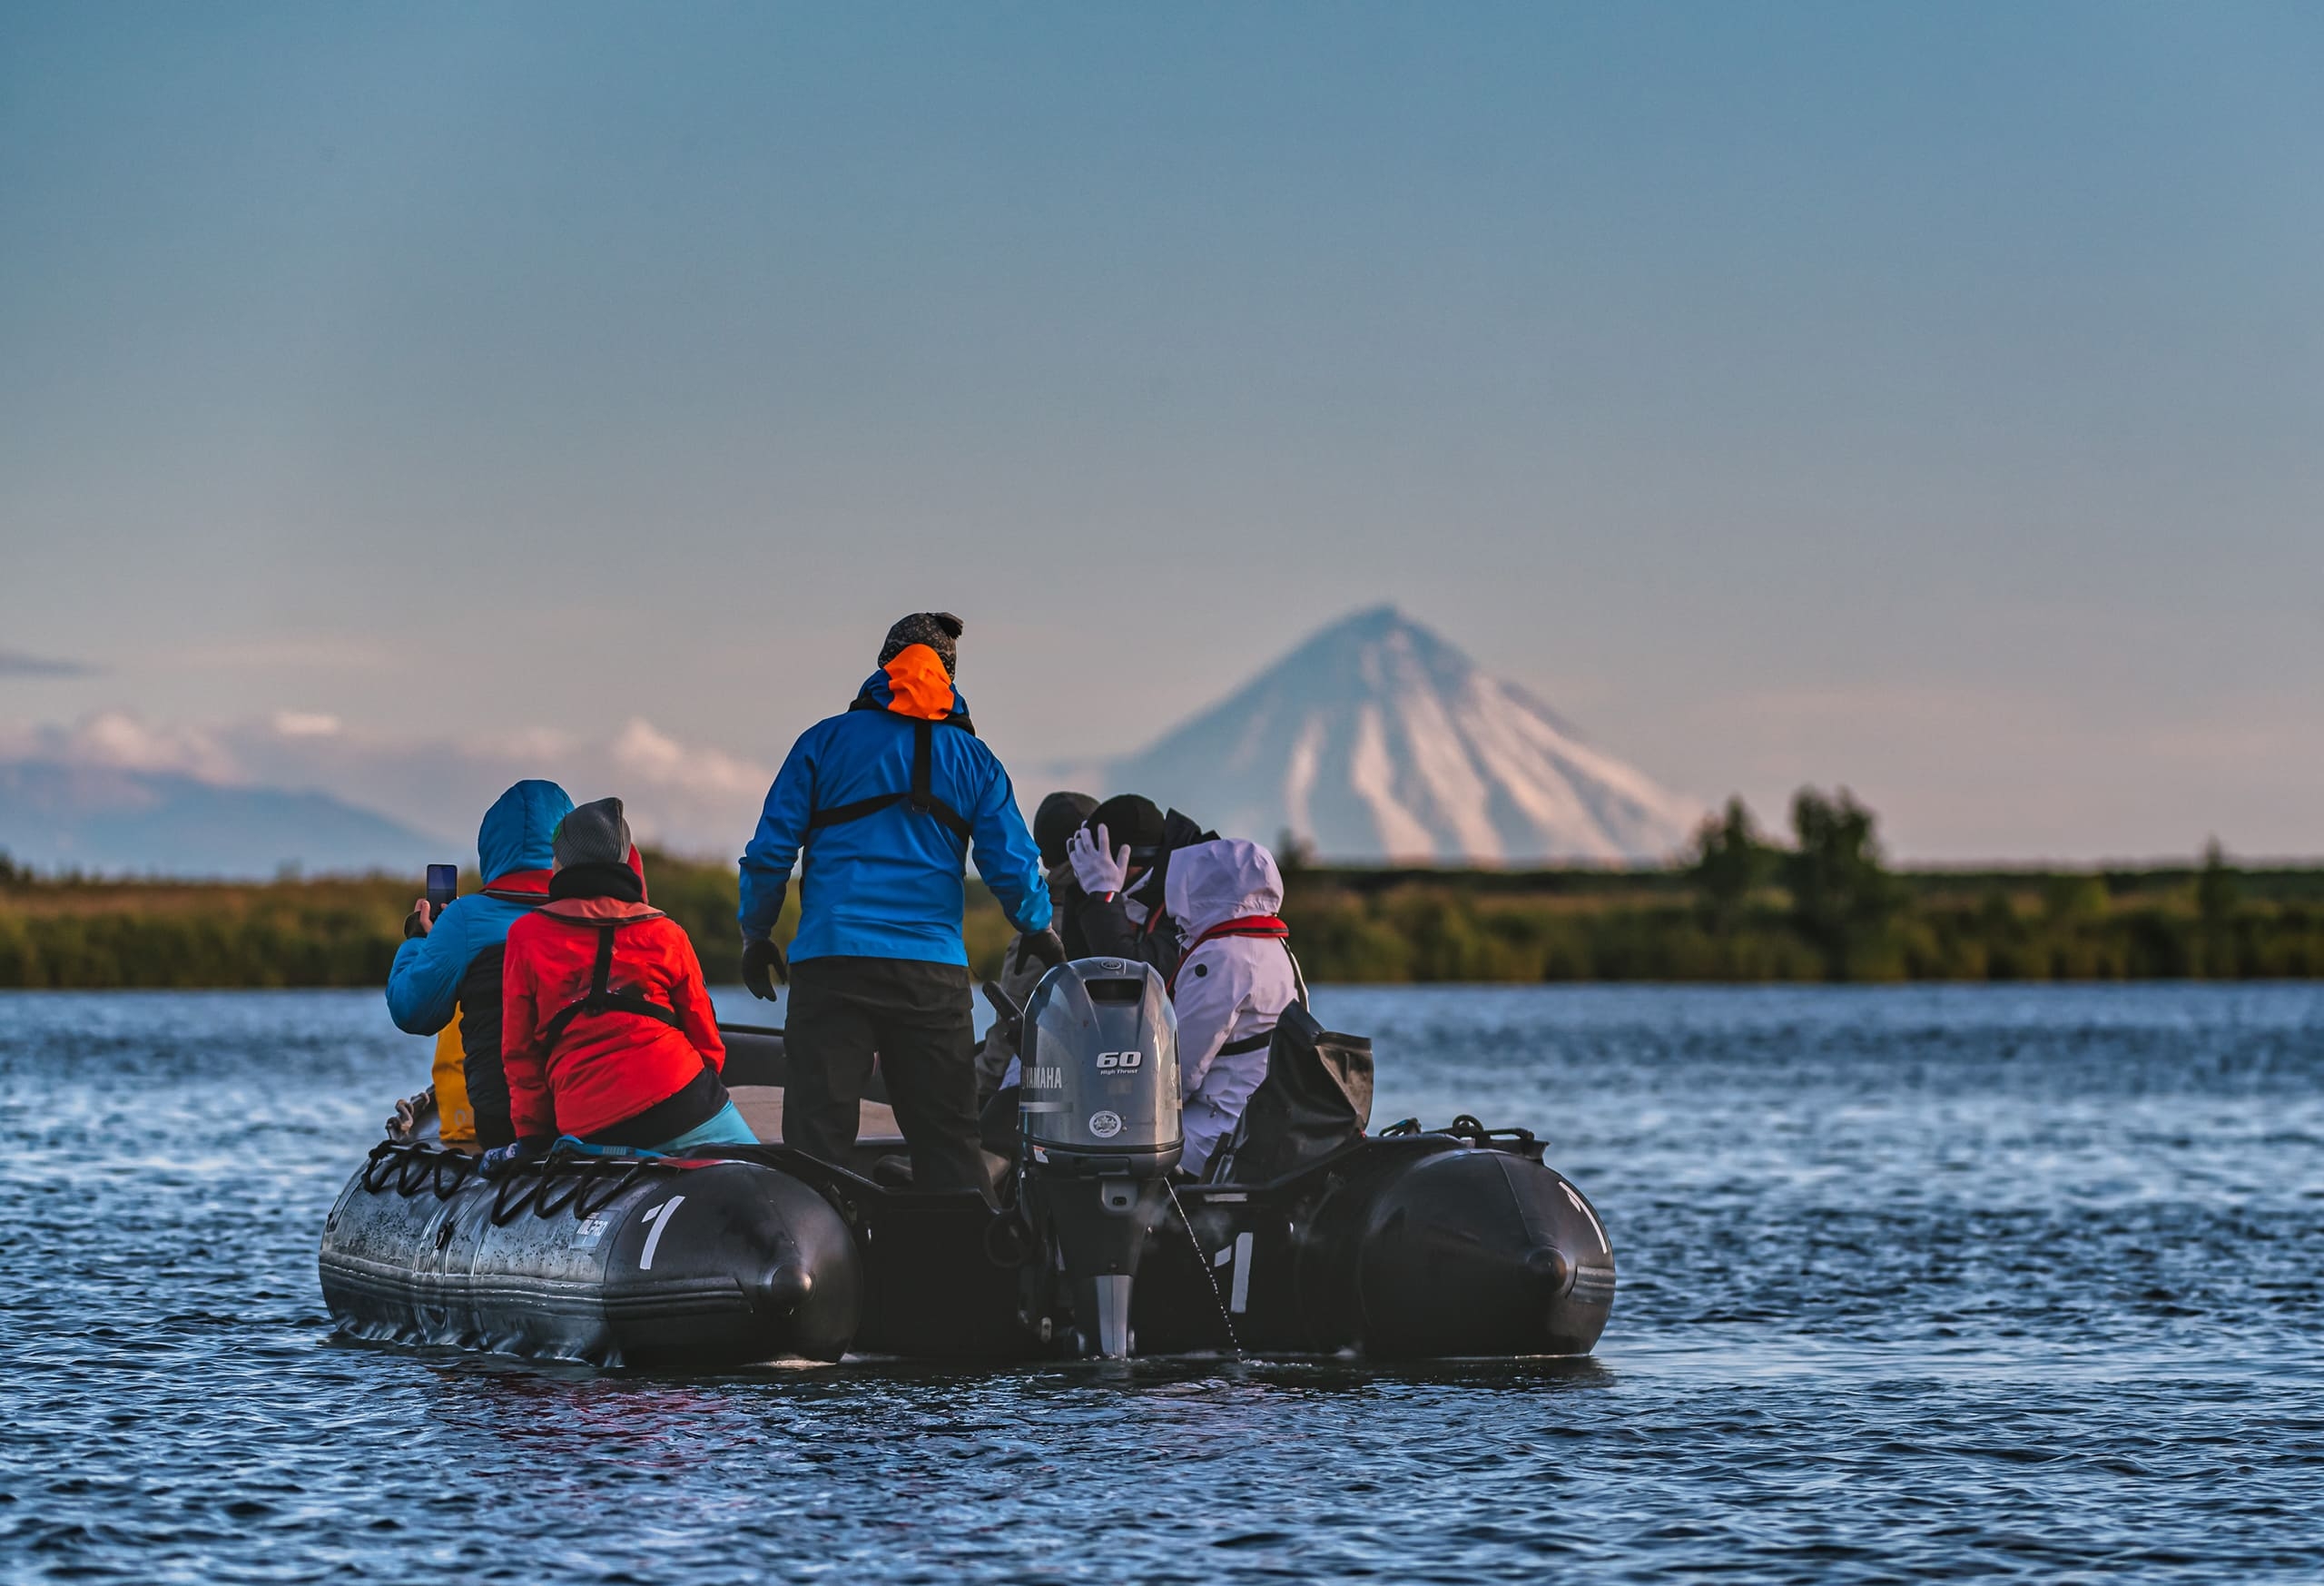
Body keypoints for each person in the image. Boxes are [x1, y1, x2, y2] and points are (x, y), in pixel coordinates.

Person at [736, 612, 1053, 1197]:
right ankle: (963, 1280)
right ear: (950, 678)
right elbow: (1011, 863)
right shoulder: (975, 760)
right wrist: (1038, 926)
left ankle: (818, 1276)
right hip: (930, 975)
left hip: (830, 965)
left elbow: (768, 854)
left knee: (816, 1146)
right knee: (950, 1143)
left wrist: (756, 934)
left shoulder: (823, 742)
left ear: (884, 666)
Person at [487, 797, 753, 1170]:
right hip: (684, 1101)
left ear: (560, 861)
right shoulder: (666, 932)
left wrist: (531, 1138)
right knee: (770, 1179)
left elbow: (520, 1053)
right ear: (624, 859)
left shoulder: (525, 936)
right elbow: (705, 1035)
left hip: (590, 1124)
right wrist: (696, 1087)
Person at [385, 779, 573, 1148]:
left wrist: (420, 941)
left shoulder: (464, 919)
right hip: (588, 1113)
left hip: (502, 1122)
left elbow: (411, 1011)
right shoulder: (595, 913)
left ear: (490, 845)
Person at [1162, 838, 1302, 1178]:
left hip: (1220, 1124)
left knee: (1114, 1148)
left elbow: (1180, 1073)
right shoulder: (1274, 946)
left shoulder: (1222, 956)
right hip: (1261, 1115)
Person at [975, 789, 1097, 1100]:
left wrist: (975, 1094)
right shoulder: (1120, 918)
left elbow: (1010, 1031)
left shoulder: (1043, 934)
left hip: (1044, 1094)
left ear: (1042, 854)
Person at [1063, 793, 1216, 980]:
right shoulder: (1137, 890)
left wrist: (1104, 898)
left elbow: (1131, 977)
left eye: (1102, 859)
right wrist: (1082, 896)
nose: (1093, 868)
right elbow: (1079, 971)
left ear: (1130, 860)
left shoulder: (1200, 896)